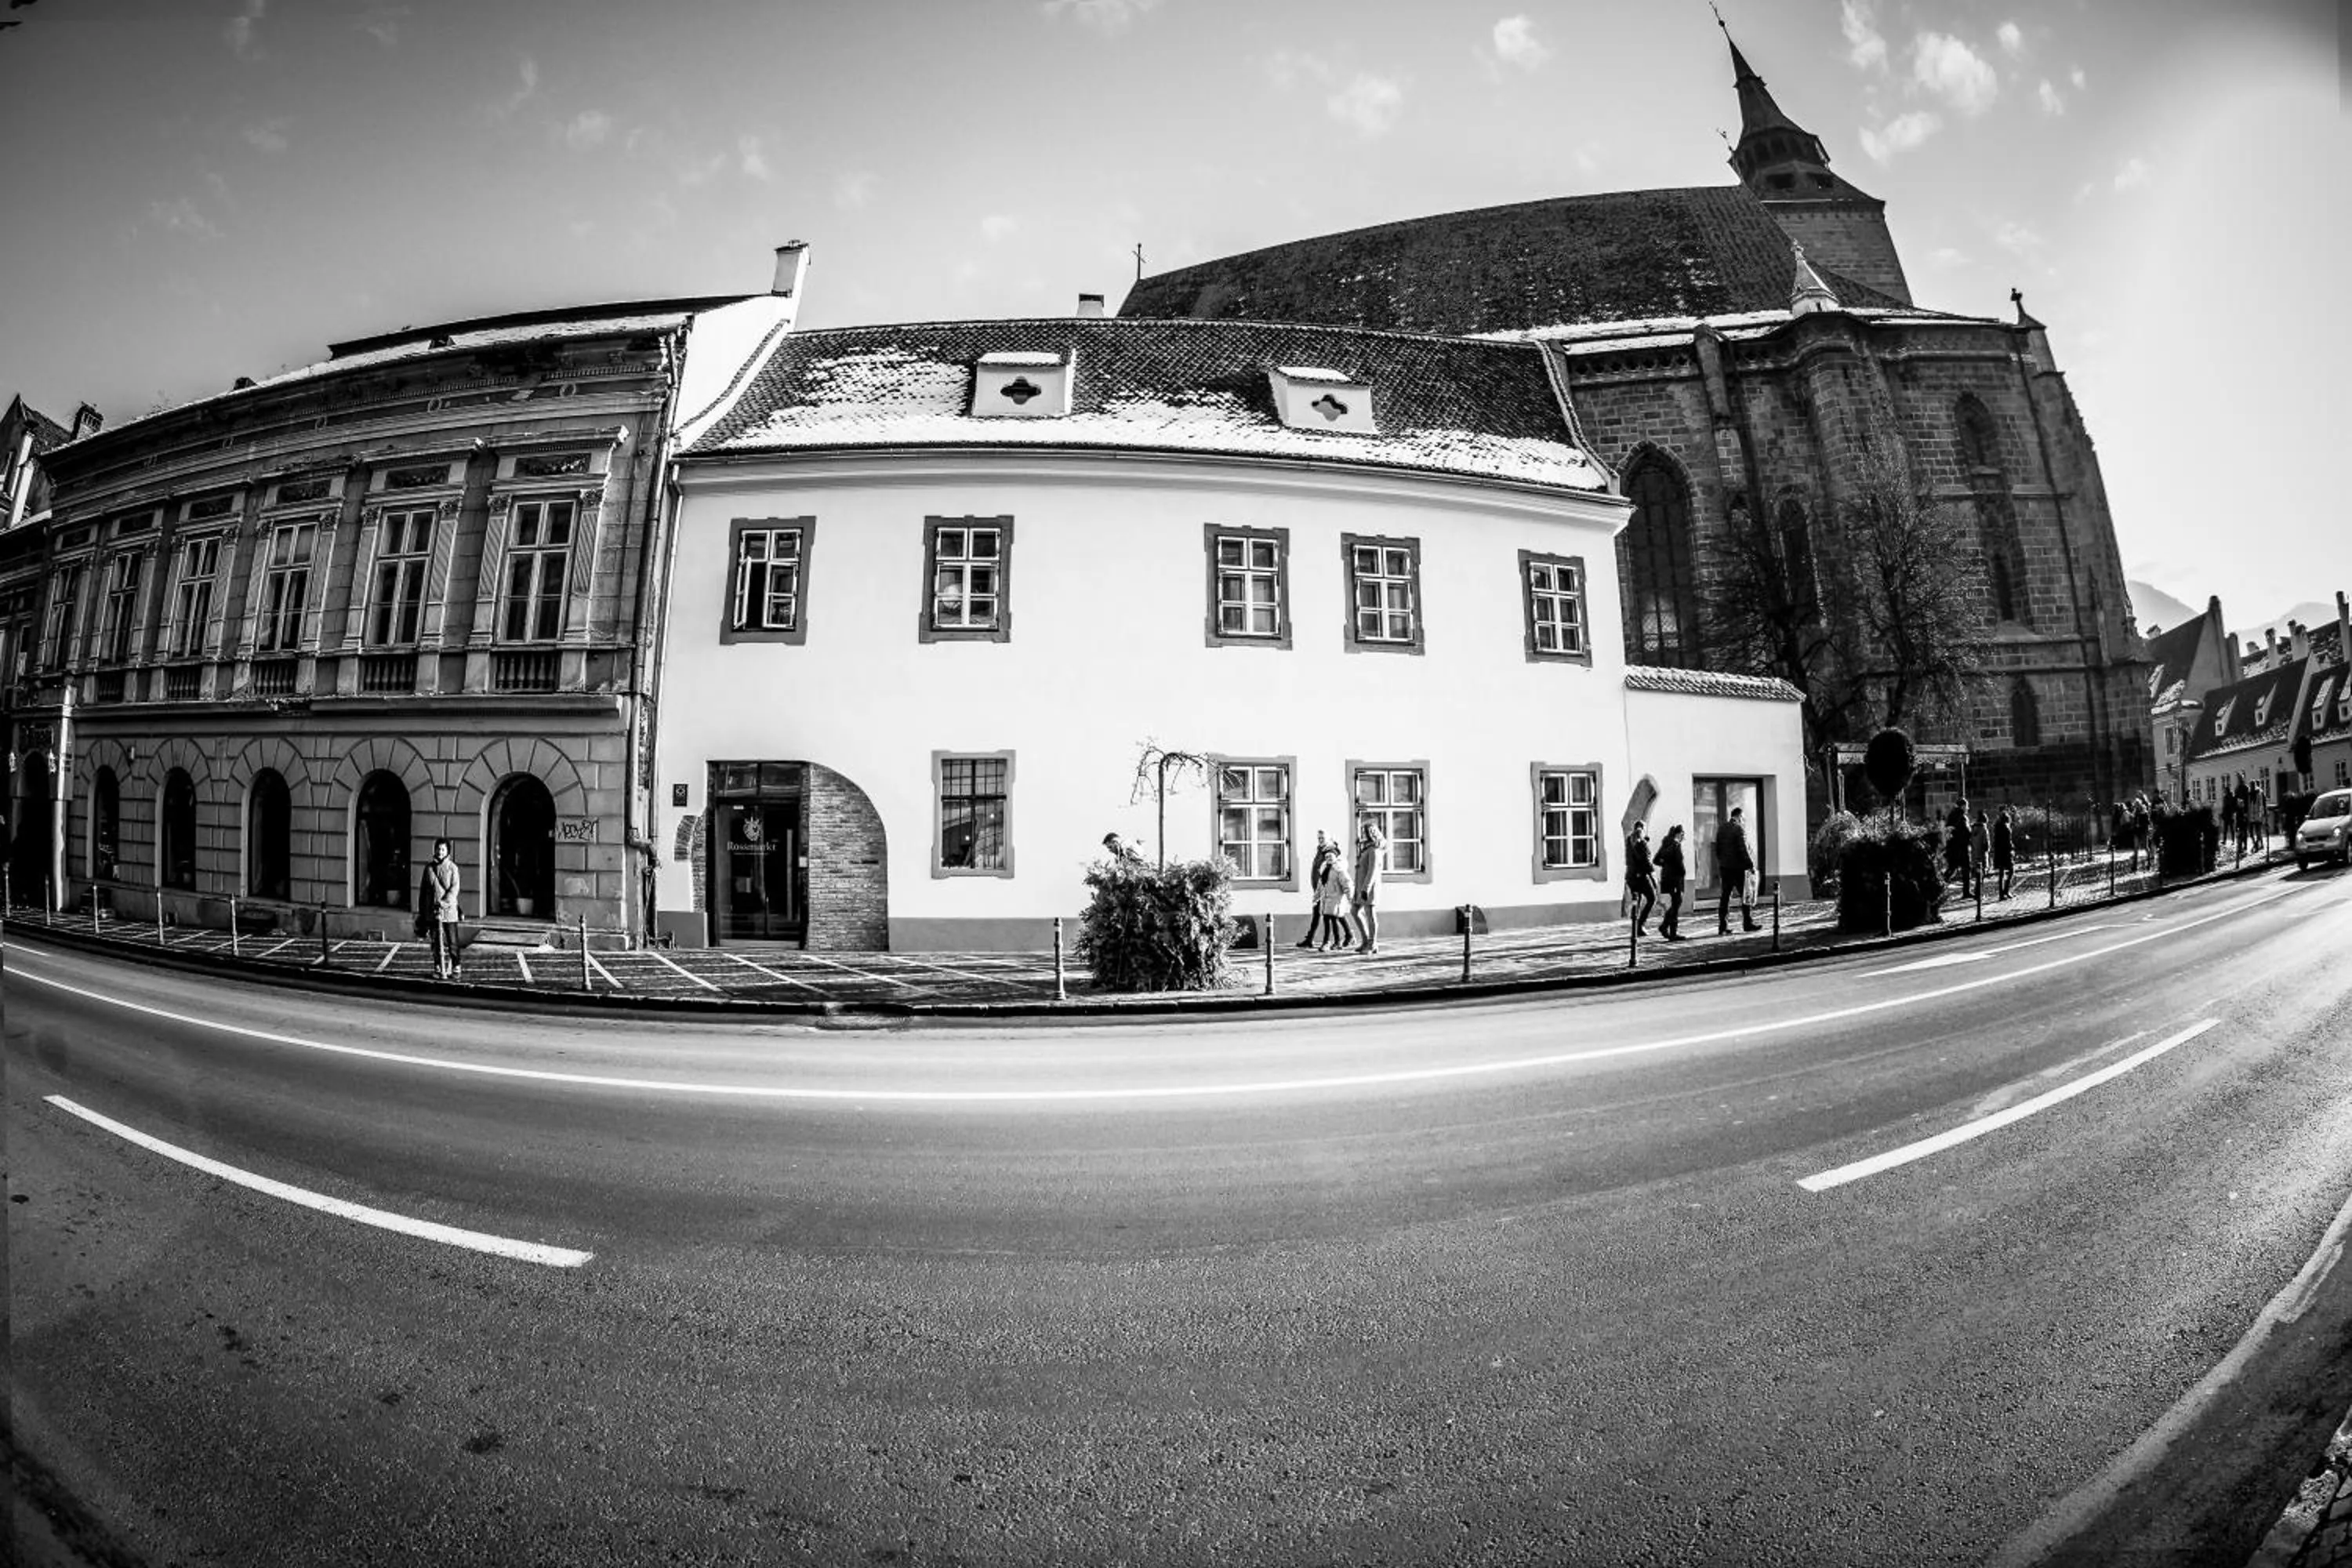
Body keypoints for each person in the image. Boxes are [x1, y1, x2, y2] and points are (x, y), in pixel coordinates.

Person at [419, 837, 463, 981]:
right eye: (438, 849)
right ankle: (438, 966)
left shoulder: (453, 868)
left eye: (443, 849)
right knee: (436, 943)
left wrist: (444, 903)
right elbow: (423, 891)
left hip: (449, 912)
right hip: (433, 912)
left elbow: (454, 889)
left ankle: (456, 966)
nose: (440, 852)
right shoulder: (429, 869)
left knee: (452, 942)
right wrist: (422, 912)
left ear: (448, 851)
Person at [1715, 805, 1759, 935]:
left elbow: (1717, 849)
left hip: (1725, 868)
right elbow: (1743, 850)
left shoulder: (1722, 828)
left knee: (1725, 897)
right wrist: (1751, 865)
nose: (1743, 821)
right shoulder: (1739, 829)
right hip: (1738, 869)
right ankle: (1747, 923)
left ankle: (1723, 926)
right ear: (1739, 817)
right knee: (1746, 896)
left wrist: (1722, 862)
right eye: (1743, 818)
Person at [1351, 818, 1386, 954]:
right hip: (1360, 886)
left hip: (1369, 888)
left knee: (1370, 914)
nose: (1362, 835)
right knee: (1355, 911)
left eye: (1364, 832)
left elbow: (1373, 871)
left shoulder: (1374, 850)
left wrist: (1366, 889)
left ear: (1371, 833)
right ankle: (1365, 940)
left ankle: (1372, 944)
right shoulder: (1367, 848)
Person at [1296, 830, 1334, 949]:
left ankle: (1327, 941)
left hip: (1325, 888)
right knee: (1318, 914)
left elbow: (1328, 870)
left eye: (1323, 838)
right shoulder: (1320, 850)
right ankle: (1310, 939)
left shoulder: (1330, 851)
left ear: (1329, 839)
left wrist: (1324, 886)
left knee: (1330, 915)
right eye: (1319, 838)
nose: (1320, 840)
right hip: (1318, 888)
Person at [1317, 846, 1356, 951]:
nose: (1328, 858)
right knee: (1328, 919)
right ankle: (1342, 938)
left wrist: (1350, 897)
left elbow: (1347, 883)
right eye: (1326, 857)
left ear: (1336, 856)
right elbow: (1321, 884)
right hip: (1326, 898)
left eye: (1331, 856)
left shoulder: (1339, 869)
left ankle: (1334, 942)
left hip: (1336, 898)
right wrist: (1317, 896)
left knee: (1334, 919)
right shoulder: (1325, 868)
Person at [1654, 824, 1688, 940]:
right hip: (1675, 879)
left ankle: (1667, 928)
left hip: (1667, 878)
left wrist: (1666, 865)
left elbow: (1656, 860)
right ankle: (1670, 931)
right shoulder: (1675, 845)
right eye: (1682, 835)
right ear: (1678, 834)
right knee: (1676, 904)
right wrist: (1681, 872)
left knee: (1675, 904)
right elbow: (1679, 863)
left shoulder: (1666, 844)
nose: (1683, 838)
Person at [1624, 821, 1657, 935]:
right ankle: (1640, 925)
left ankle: (1636, 927)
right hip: (1641, 877)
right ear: (1643, 829)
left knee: (1636, 901)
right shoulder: (1642, 843)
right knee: (1652, 898)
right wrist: (1653, 877)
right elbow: (1646, 862)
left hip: (1630, 876)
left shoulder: (1629, 841)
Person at [1944, 797, 1976, 897]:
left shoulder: (1951, 816)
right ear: (1963, 806)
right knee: (1966, 869)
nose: (1968, 808)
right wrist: (1971, 830)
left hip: (1952, 847)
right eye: (1967, 806)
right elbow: (1966, 832)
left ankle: (1940, 888)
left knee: (1951, 869)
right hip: (1962, 847)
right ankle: (1966, 892)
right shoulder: (1962, 817)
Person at [1992, 808, 2016, 900]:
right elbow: (2008, 841)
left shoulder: (1997, 827)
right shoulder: (2006, 828)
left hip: (1999, 853)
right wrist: (2012, 848)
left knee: (2001, 873)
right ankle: (2006, 890)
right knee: (2011, 870)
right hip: (2006, 852)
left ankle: (2001, 893)